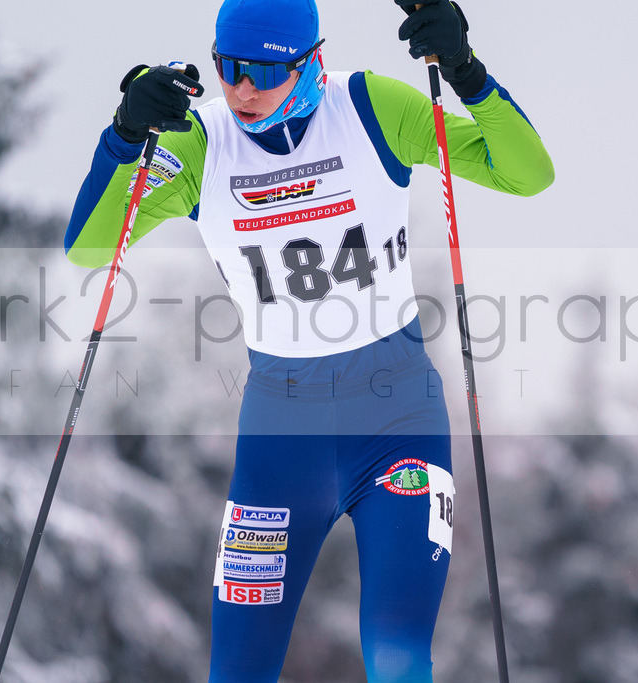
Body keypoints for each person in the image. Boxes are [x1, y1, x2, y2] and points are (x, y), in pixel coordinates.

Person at [64, 0, 553, 679]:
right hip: (280, 439)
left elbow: (527, 173)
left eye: (265, 72)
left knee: (396, 655)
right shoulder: (202, 143)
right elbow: (90, 248)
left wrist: (466, 72)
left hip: (397, 421)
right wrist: (124, 136)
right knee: (237, 670)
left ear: (312, 62)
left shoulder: (371, 108)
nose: (243, 90)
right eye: (228, 68)